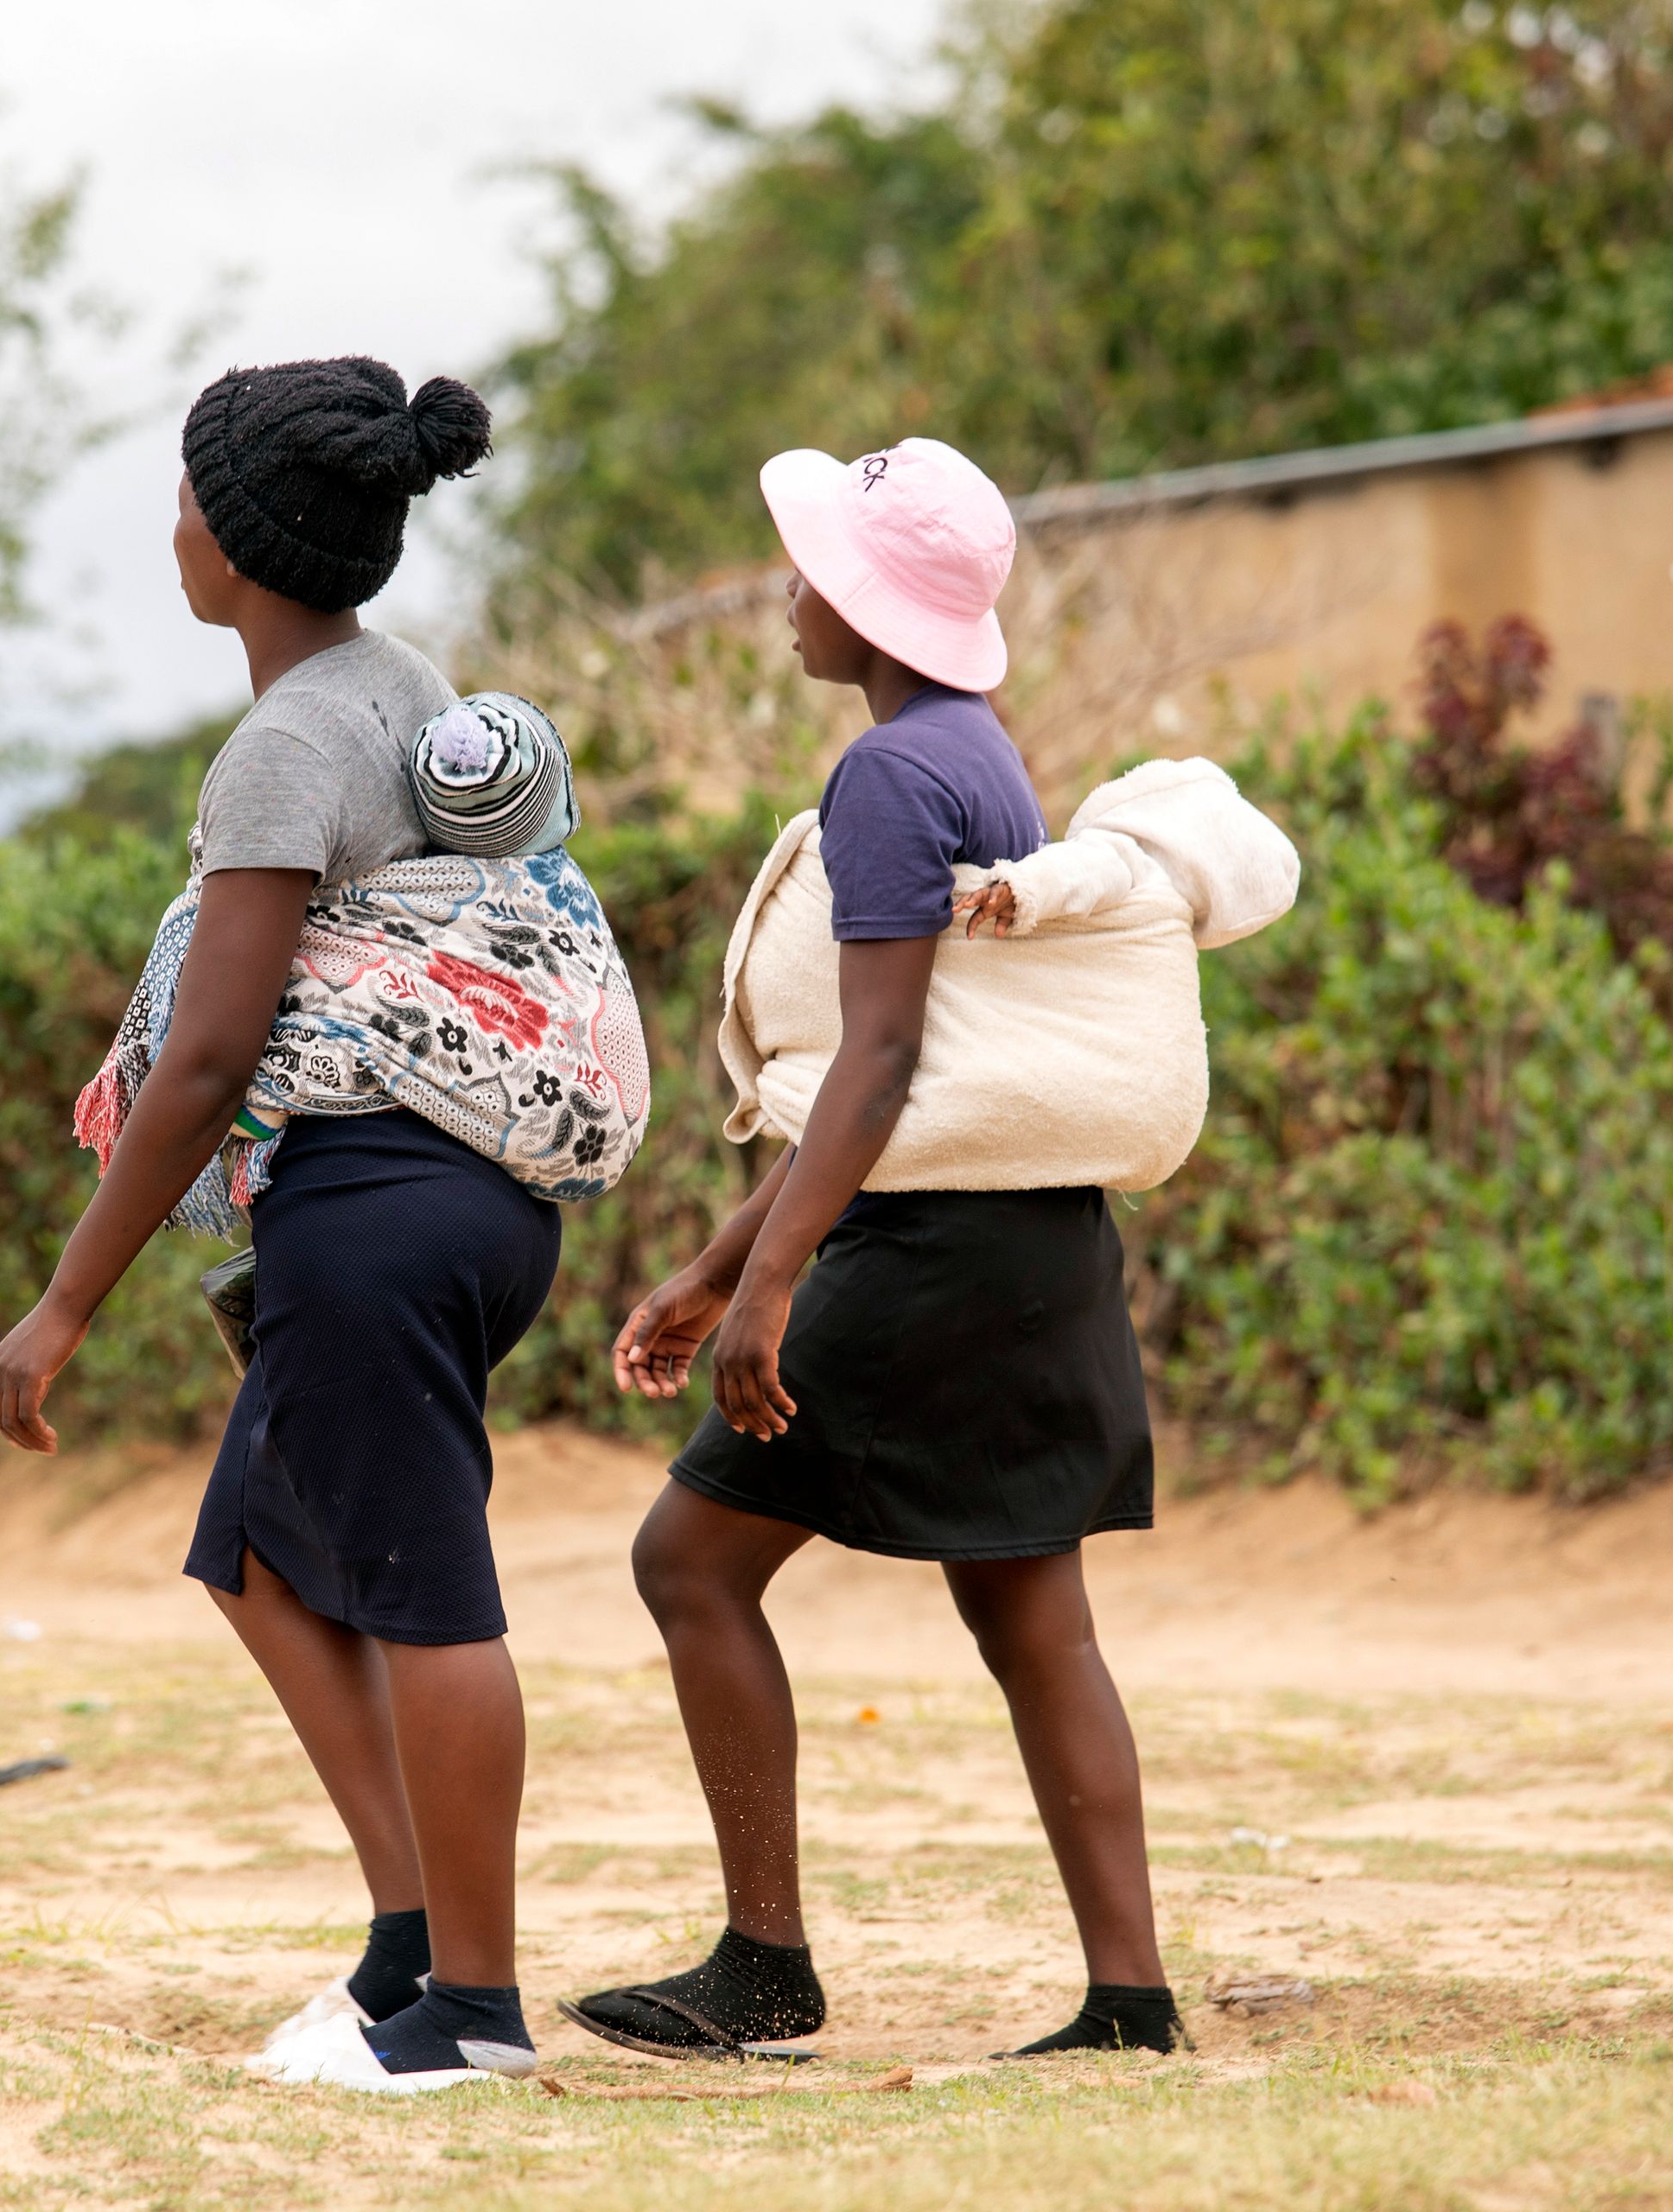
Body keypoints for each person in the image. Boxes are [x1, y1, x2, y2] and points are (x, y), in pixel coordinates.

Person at [0, 357, 590, 2094]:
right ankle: (408, 1945)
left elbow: (205, 1063)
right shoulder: (404, 687)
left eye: (186, 495)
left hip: (376, 1205)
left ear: (238, 543)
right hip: (468, 1195)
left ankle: (473, 2012)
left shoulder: (287, 743)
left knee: (424, 1592)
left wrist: (63, 1302)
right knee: (257, 1547)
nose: (171, 525)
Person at [571, 436, 1180, 2063]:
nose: (786, 592)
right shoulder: (978, 753)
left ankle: (766, 1963)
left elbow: (884, 1062)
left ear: (864, 602)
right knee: (1033, 1616)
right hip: (1038, 1249)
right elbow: (941, 1075)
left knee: (688, 1564)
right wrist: (712, 1271)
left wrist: (763, 1289)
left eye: (808, 568)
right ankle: (1129, 2001)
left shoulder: (890, 777)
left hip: (924, 1257)